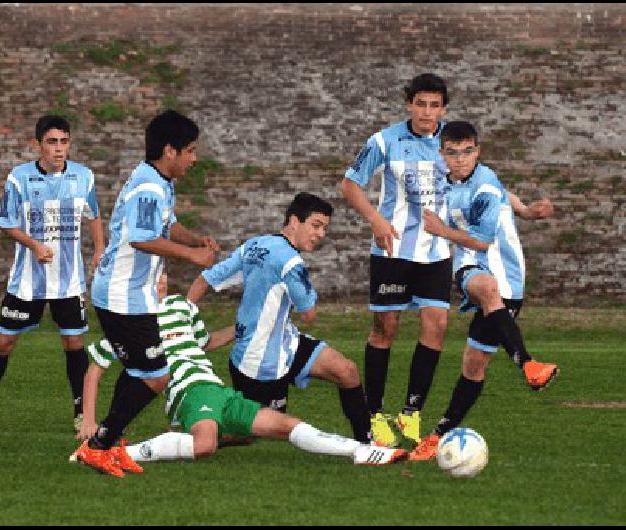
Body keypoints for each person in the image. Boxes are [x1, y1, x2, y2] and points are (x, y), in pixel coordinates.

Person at [71, 273, 407, 477]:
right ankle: (113, 451)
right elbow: (95, 368)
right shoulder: (130, 322)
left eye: (163, 274)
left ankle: (359, 450)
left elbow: (205, 344)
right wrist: (89, 419)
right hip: (189, 392)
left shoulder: (181, 307)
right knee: (205, 446)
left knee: (284, 424)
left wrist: (241, 328)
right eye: (154, 275)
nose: (160, 280)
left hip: (217, 390)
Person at [408, 120, 559, 461]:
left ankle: (438, 435)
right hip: (471, 268)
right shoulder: (443, 179)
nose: (459, 159)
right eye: (452, 153)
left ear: (477, 151)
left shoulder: (485, 183)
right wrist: (526, 210)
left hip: (510, 278)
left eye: (467, 152)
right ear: (442, 153)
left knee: (474, 367)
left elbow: (483, 240)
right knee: (485, 286)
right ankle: (529, 364)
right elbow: (507, 195)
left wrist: (441, 230)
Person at [187, 192, 380, 447]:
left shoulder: (254, 245)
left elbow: (206, 279)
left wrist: (183, 314)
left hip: (286, 343)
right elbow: (309, 314)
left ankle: (368, 445)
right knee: (247, 433)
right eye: (316, 225)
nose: (321, 234)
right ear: (293, 221)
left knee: (346, 370)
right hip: (259, 362)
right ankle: (189, 436)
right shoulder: (291, 262)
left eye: (325, 228)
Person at [80, 110, 219, 459]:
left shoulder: (159, 182)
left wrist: (195, 240)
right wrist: (191, 255)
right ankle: (99, 444)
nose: (194, 158)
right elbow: (143, 238)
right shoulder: (148, 187)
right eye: (190, 150)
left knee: (141, 369)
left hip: (131, 294)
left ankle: (107, 438)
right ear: (169, 151)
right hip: (121, 295)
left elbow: (166, 224)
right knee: (157, 375)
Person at [341, 73, 453, 447]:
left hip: (437, 252)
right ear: (409, 104)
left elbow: (475, 181)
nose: (426, 112)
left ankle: (411, 413)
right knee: (385, 328)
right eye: (420, 104)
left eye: (434, 105)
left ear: (443, 108)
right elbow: (350, 183)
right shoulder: (383, 140)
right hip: (392, 251)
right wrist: (375, 219)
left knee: (436, 326)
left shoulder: (454, 141)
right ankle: (376, 415)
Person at [0, 115, 104, 431]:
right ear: (38, 145)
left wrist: (99, 249)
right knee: (4, 343)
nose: (59, 149)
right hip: (27, 282)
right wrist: (34, 246)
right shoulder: (19, 178)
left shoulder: (83, 177)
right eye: (52, 142)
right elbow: (7, 223)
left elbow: (94, 215)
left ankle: (81, 414)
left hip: (68, 282)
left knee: (74, 344)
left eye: (64, 142)